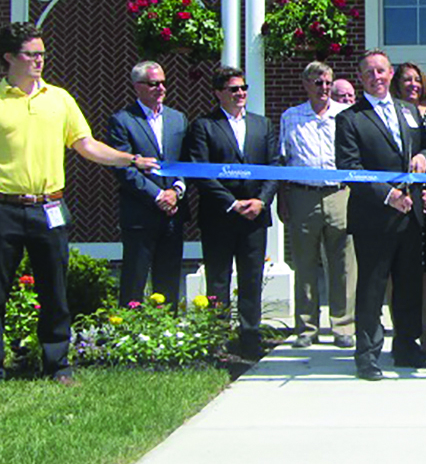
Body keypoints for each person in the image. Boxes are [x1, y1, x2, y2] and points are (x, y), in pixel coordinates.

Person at [0, 23, 158, 383]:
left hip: (48, 207)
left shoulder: (60, 99)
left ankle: (57, 364)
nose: (39, 60)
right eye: (31, 54)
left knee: (54, 289)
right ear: (10, 57)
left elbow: (86, 146)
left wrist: (130, 159)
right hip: (4, 208)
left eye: (42, 53)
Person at [335, 49, 426, 380]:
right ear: (361, 78)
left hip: (411, 215)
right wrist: (388, 195)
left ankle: (407, 348)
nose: (376, 77)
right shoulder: (350, 118)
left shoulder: (409, 111)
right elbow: (349, 168)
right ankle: (367, 355)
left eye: (381, 71)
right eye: (369, 73)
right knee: (371, 288)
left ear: (390, 72)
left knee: (409, 284)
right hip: (374, 218)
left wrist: (424, 158)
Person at [187, 66, 279, 361]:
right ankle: (218, 338)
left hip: (255, 216)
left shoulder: (262, 125)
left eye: (243, 88)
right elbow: (200, 171)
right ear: (218, 93)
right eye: (233, 89)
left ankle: (251, 337)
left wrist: (261, 201)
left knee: (252, 278)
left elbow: (274, 167)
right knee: (218, 279)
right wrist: (232, 203)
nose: (240, 94)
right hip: (220, 217)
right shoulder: (204, 126)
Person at [280, 61, 355, 350]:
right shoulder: (291, 116)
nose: (323, 88)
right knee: (304, 263)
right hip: (303, 196)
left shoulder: (345, 115)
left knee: (344, 264)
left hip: (339, 194)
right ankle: (307, 328)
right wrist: (284, 199)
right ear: (306, 84)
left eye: (327, 82)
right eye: (317, 82)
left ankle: (343, 325)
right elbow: (283, 161)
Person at [107, 61, 189, 310]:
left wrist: (176, 191)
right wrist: (157, 196)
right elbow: (123, 167)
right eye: (153, 84)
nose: (161, 88)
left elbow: (185, 162)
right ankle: (129, 333)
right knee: (135, 280)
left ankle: (168, 333)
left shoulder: (178, 119)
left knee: (169, 280)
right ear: (137, 86)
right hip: (140, 214)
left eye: (163, 82)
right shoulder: (122, 120)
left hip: (173, 214)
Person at [390, 62, 426, 354]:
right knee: (398, 269)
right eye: (406, 79)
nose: (412, 84)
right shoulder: (389, 113)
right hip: (398, 203)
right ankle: (402, 334)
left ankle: (425, 334)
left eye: (416, 79)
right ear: (396, 84)